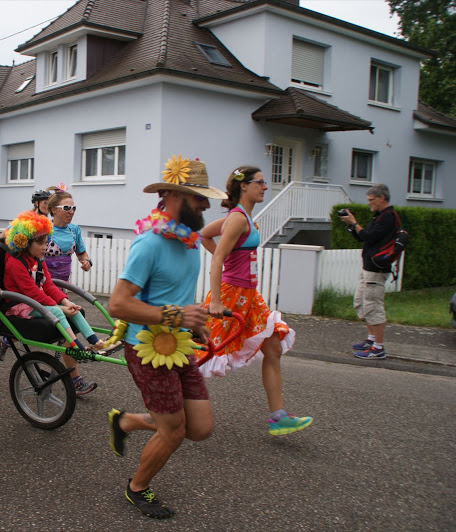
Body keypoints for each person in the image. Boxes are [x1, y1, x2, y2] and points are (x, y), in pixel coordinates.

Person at [106, 155, 224, 519]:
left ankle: (124, 421)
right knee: (173, 430)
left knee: (200, 427)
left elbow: (177, 299)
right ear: (172, 194)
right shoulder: (150, 244)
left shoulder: (188, 242)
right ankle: (137, 488)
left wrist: (194, 323)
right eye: (197, 196)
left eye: (206, 197)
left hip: (178, 345)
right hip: (146, 349)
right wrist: (175, 315)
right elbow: (118, 304)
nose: (206, 204)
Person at [199, 166, 312, 436]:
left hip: (250, 297)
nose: (265, 187)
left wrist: (229, 259)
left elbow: (204, 234)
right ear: (244, 186)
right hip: (231, 295)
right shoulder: (238, 219)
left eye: (264, 183)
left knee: (273, 347)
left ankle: (278, 417)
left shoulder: (243, 218)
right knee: (203, 353)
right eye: (260, 182)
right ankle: (169, 405)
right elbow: (215, 257)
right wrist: (216, 300)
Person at [3, 211, 102, 394]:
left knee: (74, 308)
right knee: (58, 312)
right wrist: (59, 308)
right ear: (24, 241)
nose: (45, 246)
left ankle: (95, 341)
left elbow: (48, 285)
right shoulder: (15, 263)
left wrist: (65, 301)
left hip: (33, 301)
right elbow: (31, 293)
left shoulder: (39, 259)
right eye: (40, 242)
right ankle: (76, 347)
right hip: (20, 305)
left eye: (46, 241)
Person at [338, 183, 397, 360]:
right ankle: (371, 340)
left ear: (382, 198)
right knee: (362, 302)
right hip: (368, 268)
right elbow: (363, 237)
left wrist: (354, 223)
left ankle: (378, 348)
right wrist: (351, 225)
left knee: (373, 306)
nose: (369, 203)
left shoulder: (389, 217)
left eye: (371, 200)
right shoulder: (379, 217)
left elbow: (370, 237)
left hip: (377, 269)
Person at [43, 190, 93, 282]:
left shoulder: (74, 230)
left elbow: (81, 253)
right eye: (67, 208)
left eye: (73, 208)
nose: (72, 211)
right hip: (43, 285)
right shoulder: (44, 229)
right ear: (54, 209)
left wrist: (87, 261)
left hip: (64, 285)